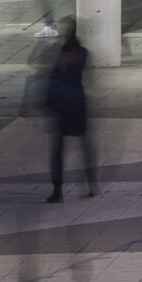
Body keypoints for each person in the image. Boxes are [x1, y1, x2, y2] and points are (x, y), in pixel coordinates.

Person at [41, 18, 95, 203]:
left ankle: (58, 189)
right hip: (76, 102)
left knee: (59, 148)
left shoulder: (60, 54)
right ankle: (90, 185)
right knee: (84, 144)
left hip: (62, 103)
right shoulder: (82, 53)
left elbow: (44, 69)